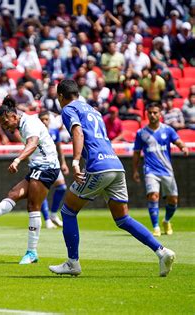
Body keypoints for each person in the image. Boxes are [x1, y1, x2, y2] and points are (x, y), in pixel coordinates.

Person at [48, 79, 175, 277]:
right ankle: (162, 251)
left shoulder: (68, 109)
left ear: (61, 96)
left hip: (98, 167)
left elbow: (78, 132)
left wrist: (74, 161)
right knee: (123, 218)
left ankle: (73, 263)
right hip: (115, 165)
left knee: (68, 211)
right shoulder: (94, 111)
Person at [0, 95, 61, 265]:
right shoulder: (21, 125)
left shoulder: (29, 123)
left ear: (14, 116)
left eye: (6, 122)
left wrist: (17, 160)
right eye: (2, 124)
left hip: (47, 167)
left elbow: (33, 143)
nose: (5, 127)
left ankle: (32, 252)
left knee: (33, 206)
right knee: (13, 193)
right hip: (38, 167)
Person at [132, 103, 189, 237]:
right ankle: (156, 227)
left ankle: (166, 221)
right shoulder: (141, 133)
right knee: (153, 196)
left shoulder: (168, 130)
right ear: (146, 114)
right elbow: (136, 153)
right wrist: (135, 170)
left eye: (155, 112)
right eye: (150, 112)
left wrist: (184, 148)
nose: (152, 115)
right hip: (150, 170)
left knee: (173, 200)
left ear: (160, 114)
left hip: (167, 170)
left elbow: (178, 141)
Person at [38, 111, 68, 229]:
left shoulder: (54, 131)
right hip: (41, 165)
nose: (44, 121)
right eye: (42, 119)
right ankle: (47, 220)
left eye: (46, 119)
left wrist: (63, 163)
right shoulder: (35, 132)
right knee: (42, 191)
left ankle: (53, 214)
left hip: (54, 164)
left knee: (62, 188)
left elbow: (59, 148)